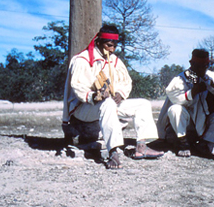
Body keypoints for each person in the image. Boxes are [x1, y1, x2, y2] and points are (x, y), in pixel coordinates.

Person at [62, 24, 163, 169]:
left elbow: (126, 81)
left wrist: (120, 94)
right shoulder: (82, 60)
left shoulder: (114, 60)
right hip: (83, 109)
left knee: (143, 104)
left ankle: (142, 146)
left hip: (107, 104)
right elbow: (77, 86)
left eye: (114, 45)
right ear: (98, 42)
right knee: (108, 103)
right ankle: (113, 152)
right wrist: (94, 96)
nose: (112, 49)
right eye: (109, 45)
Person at [157, 49, 214, 157]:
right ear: (192, 64)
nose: (202, 68)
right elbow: (175, 99)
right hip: (181, 127)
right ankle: (183, 144)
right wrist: (192, 92)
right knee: (175, 109)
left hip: (200, 124)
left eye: (205, 65)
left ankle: (205, 145)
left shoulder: (209, 77)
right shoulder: (181, 79)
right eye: (199, 65)